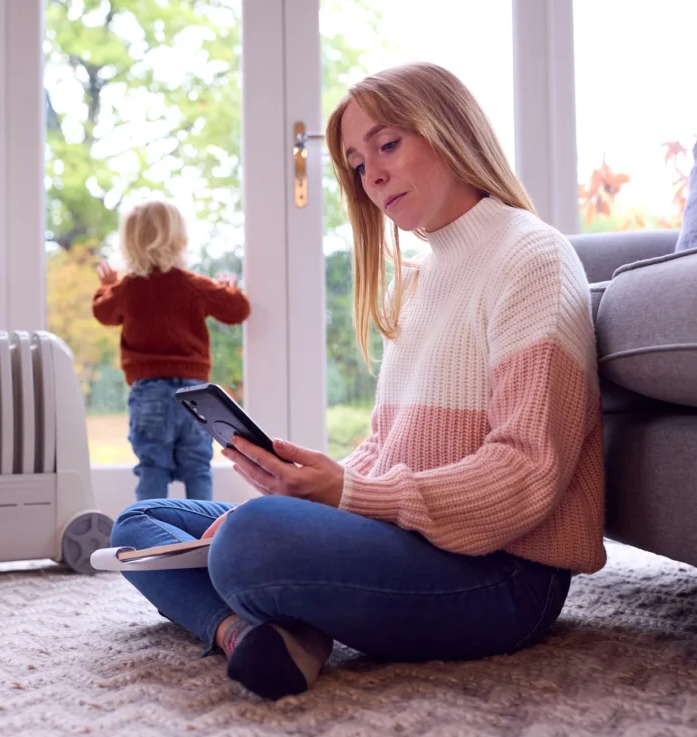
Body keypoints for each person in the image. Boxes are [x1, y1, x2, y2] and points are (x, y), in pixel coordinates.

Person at [108, 62, 605, 701]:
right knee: (142, 523)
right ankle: (248, 633)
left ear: (450, 128)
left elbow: (527, 475)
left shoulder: (532, 258)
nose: (372, 174)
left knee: (249, 543)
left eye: (387, 144)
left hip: (503, 576)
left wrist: (342, 496)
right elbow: (384, 448)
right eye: (356, 163)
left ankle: (286, 614)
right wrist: (303, 492)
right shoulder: (419, 279)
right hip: (409, 540)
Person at [93, 198, 251, 501]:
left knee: (152, 466)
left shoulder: (127, 288)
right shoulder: (194, 285)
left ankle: (150, 537)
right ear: (180, 241)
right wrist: (229, 289)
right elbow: (238, 310)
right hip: (194, 396)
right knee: (197, 467)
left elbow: (103, 313)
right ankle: (202, 537)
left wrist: (106, 286)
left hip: (148, 394)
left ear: (129, 244)